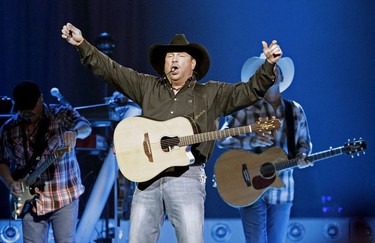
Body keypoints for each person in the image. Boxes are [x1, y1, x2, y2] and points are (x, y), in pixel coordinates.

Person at [61, 22, 282, 243]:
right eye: (169, 56)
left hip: (187, 176)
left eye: (180, 55)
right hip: (147, 178)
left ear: (193, 63)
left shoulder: (211, 93)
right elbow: (112, 71)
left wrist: (268, 66)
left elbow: (248, 91)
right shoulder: (148, 86)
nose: (174, 59)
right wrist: (82, 44)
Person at [217, 53, 313, 243]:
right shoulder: (245, 109)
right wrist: (250, 140)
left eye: (274, 69)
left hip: (283, 189)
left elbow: (304, 143)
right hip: (248, 186)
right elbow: (222, 138)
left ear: (282, 76)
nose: (270, 73)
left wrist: (302, 156)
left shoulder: (295, 110)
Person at [0, 81, 92, 243]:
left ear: (41, 99)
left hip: (63, 196)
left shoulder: (60, 115)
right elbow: (2, 161)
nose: (28, 114)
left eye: (31, 109)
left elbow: (86, 126)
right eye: (24, 111)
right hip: (29, 201)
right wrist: (10, 183)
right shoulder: (9, 129)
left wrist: (75, 132)